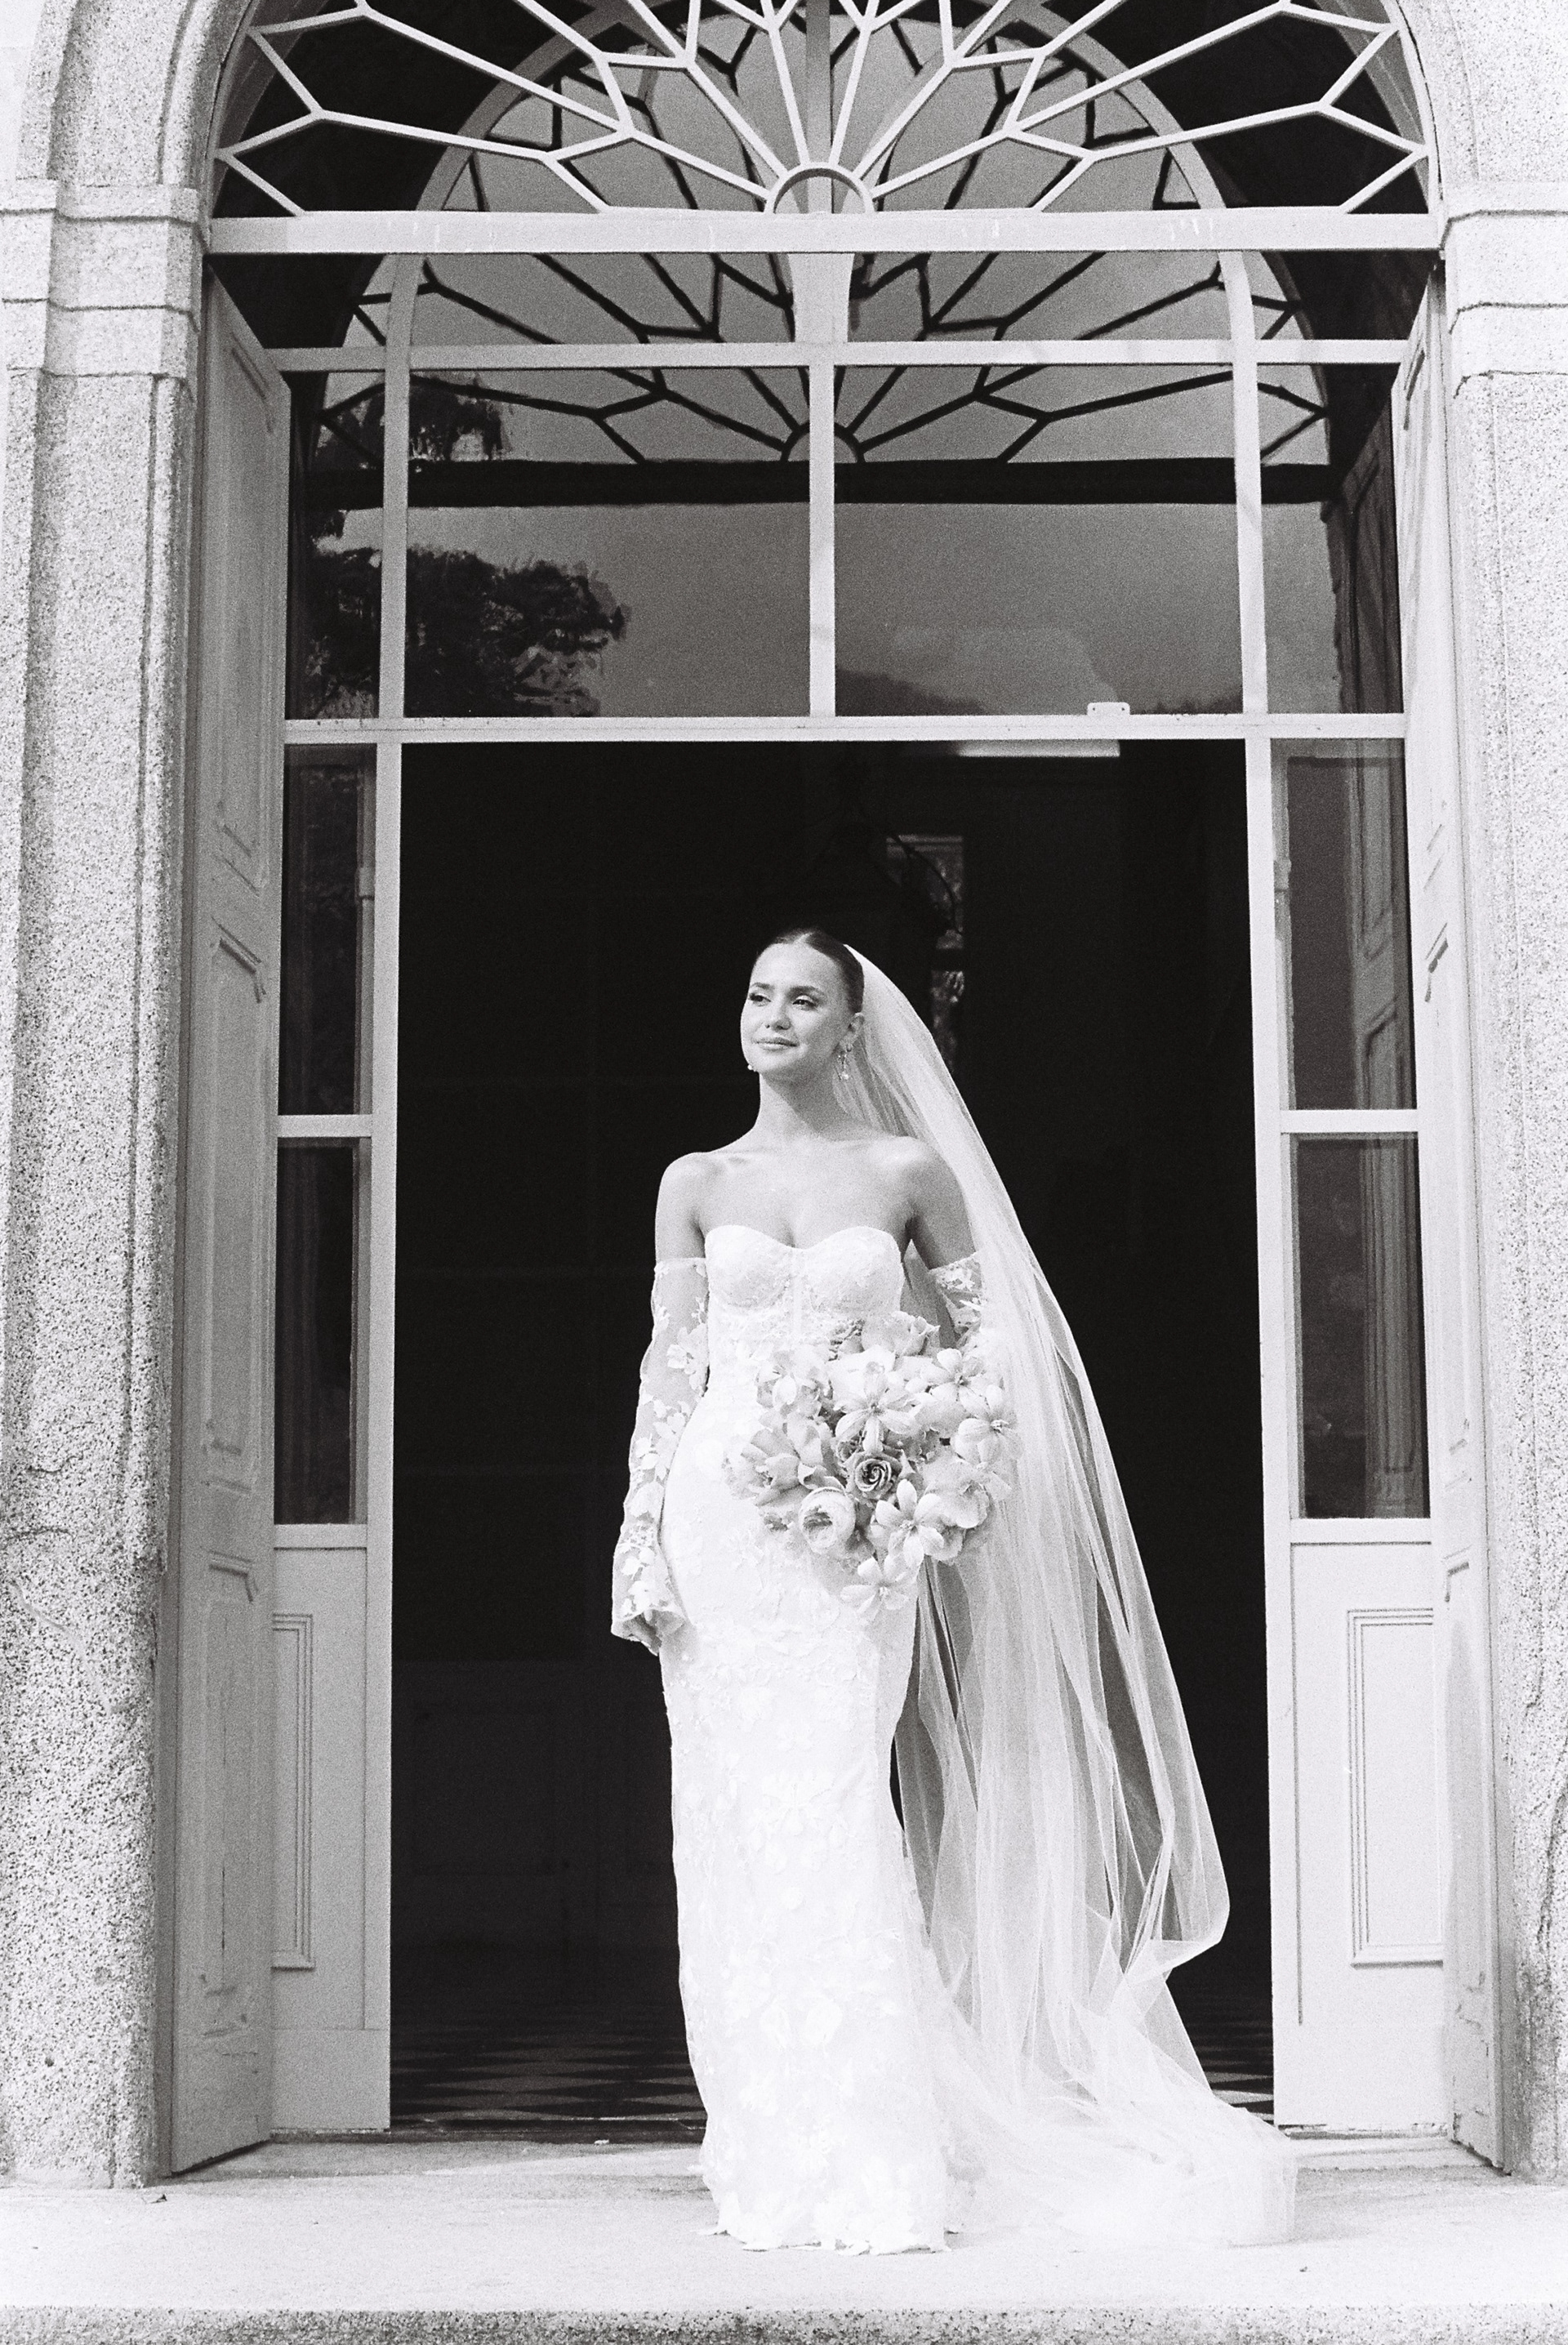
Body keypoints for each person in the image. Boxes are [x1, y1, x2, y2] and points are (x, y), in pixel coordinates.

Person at [611, 928, 1295, 2254]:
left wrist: (921, 1450)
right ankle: (768, 2144)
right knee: (732, 1822)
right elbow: (670, 1372)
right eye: (757, 995)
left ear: (851, 1028)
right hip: (721, 1523)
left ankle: (876, 2147)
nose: (773, 1017)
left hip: (852, 1535)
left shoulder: (905, 1172)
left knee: (832, 1803)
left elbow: (995, 1349)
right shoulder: (695, 1181)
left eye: (803, 999)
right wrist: (641, 1545)